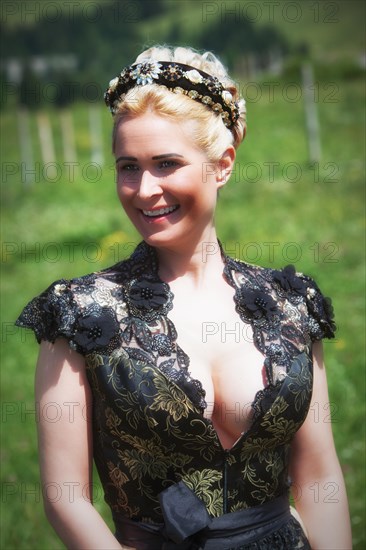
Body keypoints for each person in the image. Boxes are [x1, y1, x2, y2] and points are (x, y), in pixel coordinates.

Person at [16, 45, 352, 549]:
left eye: (167, 164)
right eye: (128, 166)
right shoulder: (80, 314)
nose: (144, 189)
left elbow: (320, 478)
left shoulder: (290, 304)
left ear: (222, 165)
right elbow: (66, 498)